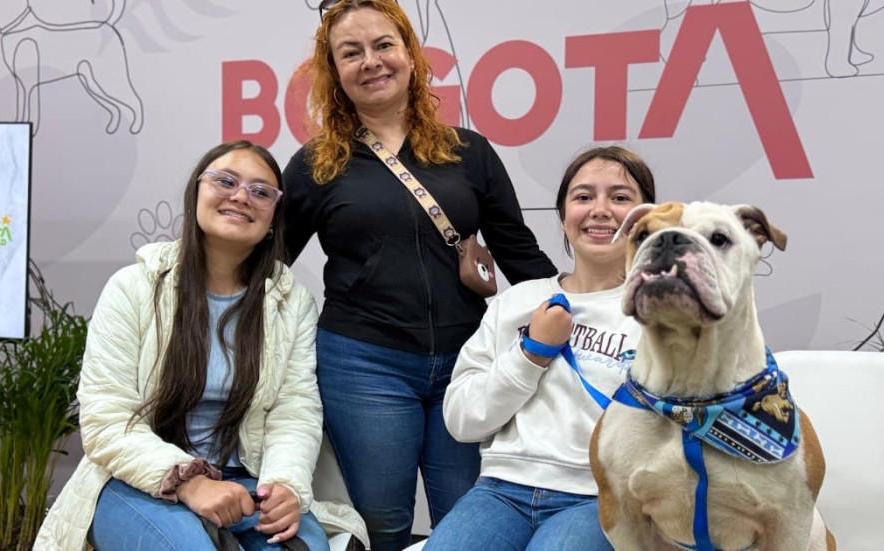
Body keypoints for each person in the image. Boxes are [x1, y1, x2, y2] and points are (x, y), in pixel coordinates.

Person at [282, 1, 557, 548]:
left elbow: (521, 258)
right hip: (363, 366)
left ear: (410, 55)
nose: (371, 61)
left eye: (384, 45)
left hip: (469, 364)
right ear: (334, 73)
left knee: (468, 523)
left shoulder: (469, 151)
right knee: (381, 525)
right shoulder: (317, 163)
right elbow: (265, 268)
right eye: (351, 53)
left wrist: (589, 307)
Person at [35, 141, 368, 551]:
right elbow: (107, 421)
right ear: (197, 193)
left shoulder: (290, 301)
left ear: (272, 220)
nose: (241, 196)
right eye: (225, 181)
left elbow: (294, 409)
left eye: (261, 191)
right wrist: (188, 482)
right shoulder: (133, 287)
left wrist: (284, 486)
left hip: (247, 480)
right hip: (137, 479)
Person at [425, 146, 657, 550]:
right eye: (583, 197)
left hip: (600, 498)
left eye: (620, 198)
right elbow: (462, 420)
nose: (600, 209)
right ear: (564, 217)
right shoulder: (517, 303)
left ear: (644, 219)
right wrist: (530, 353)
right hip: (500, 491)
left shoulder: (659, 317)